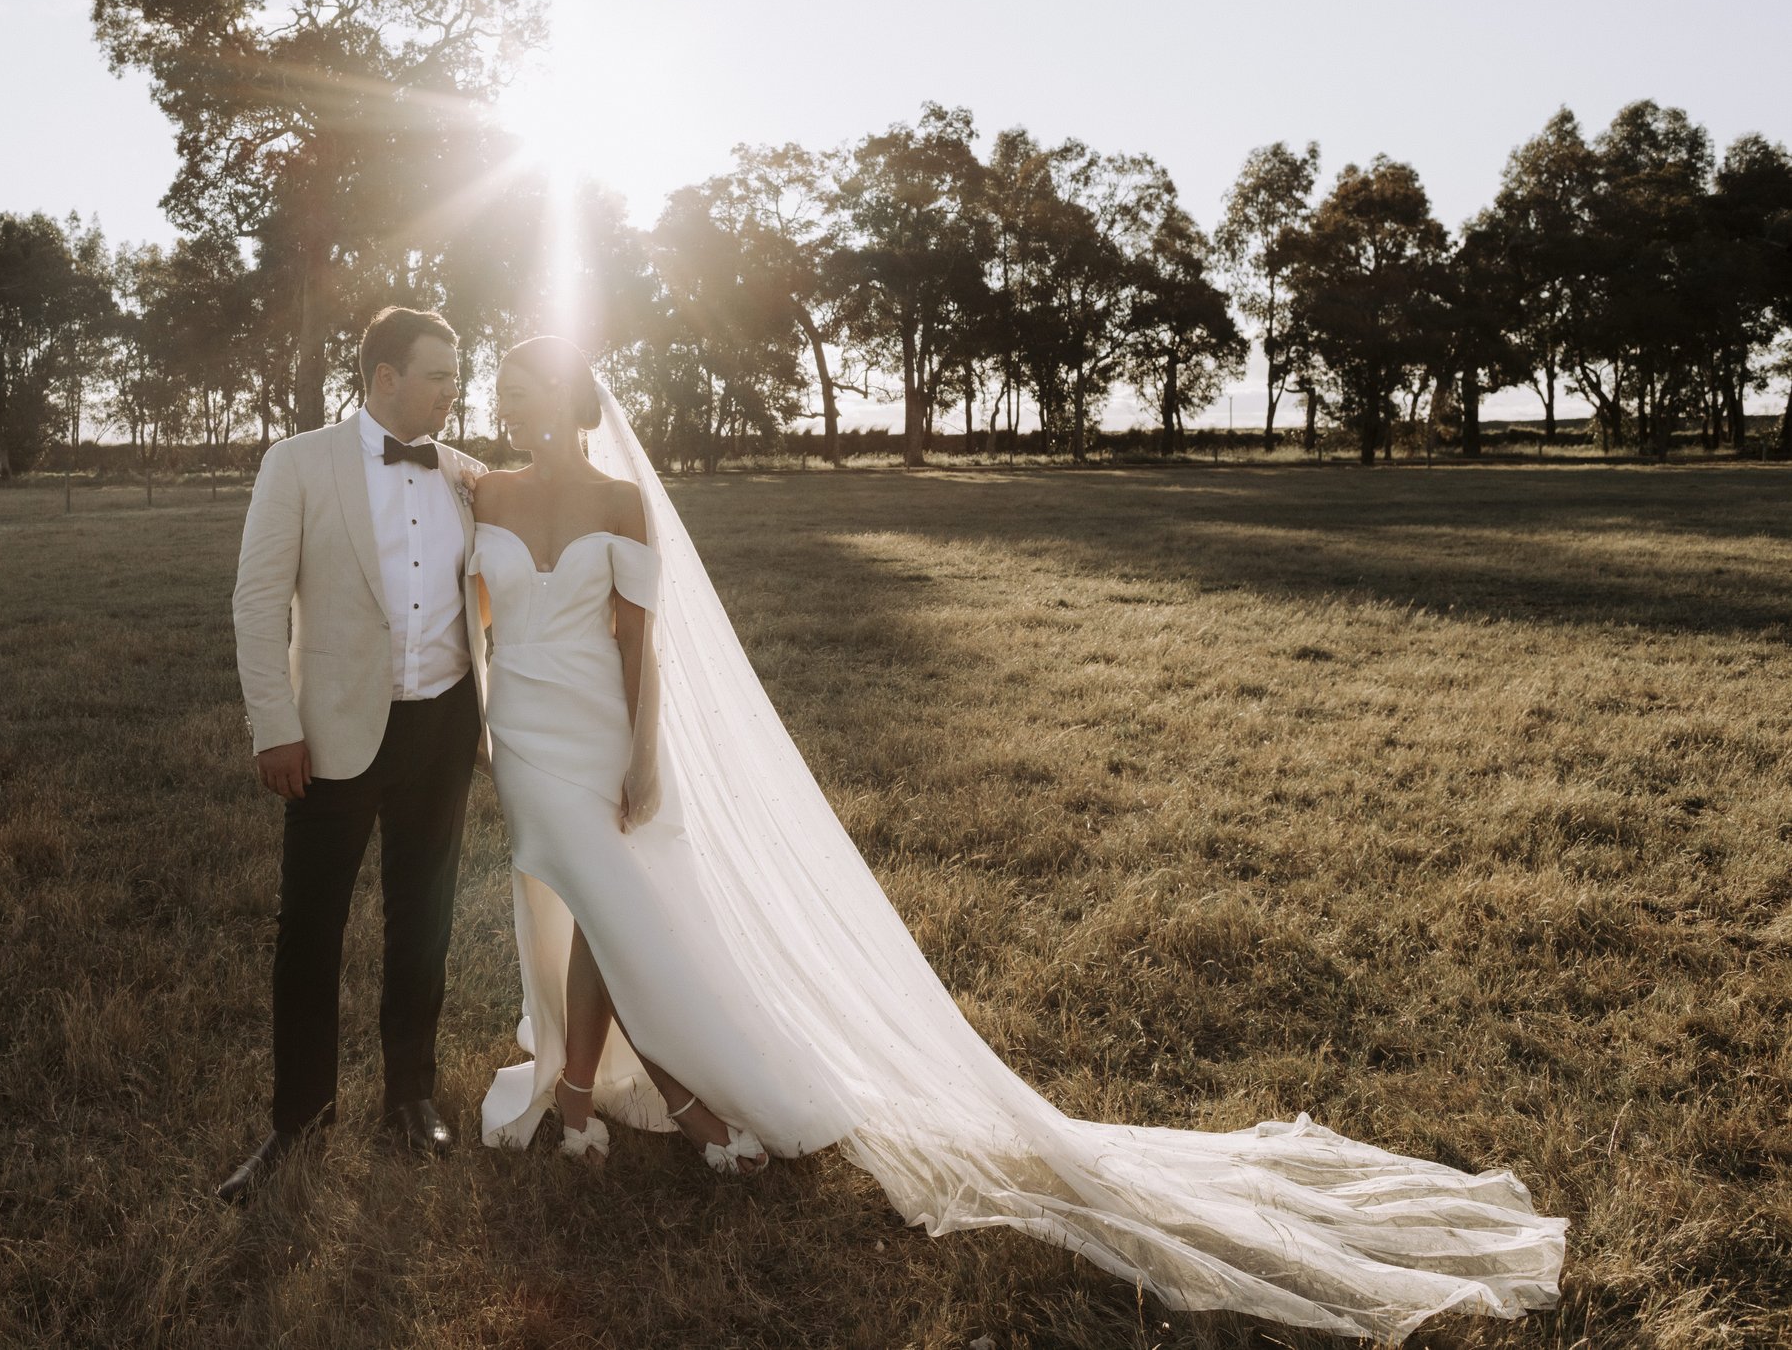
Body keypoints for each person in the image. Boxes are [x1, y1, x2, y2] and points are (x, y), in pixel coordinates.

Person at [469, 333, 1566, 1341]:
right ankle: (636, 1097)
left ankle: (612, 1102)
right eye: (499, 394)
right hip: (523, 735)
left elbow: (640, 646)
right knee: (588, 904)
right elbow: (456, 577)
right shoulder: (486, 493)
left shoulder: (619, 502)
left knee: (615, 907)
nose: (508, 407)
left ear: (568, 397)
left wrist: (646, 754)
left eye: (524, 389)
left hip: (600, 734)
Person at [217, 306, 486, 1204]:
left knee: (425, 919)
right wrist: (274, 724)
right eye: (440, 374)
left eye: (456, 374)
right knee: (309, 931)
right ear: (383, 378)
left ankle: (410, 1099)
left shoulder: (465, 476)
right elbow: (257, 604)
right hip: (329, 732)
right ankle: (298, 1121)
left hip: (442, 728)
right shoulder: (296, 462)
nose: (455, 389)